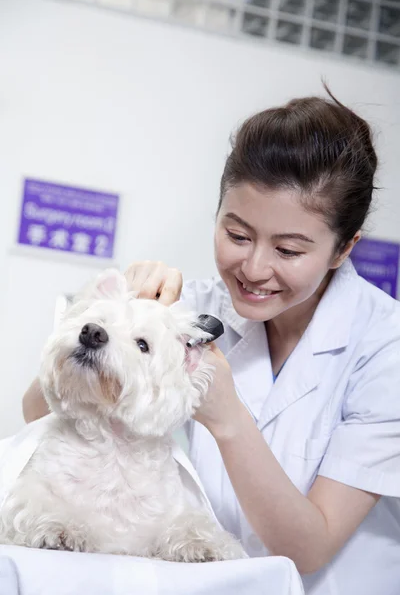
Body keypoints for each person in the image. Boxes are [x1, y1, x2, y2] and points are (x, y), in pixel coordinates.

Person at [23, 88, 400, 595]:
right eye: (238, 235)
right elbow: (39, 412)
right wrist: (106, 315)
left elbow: (311, 547)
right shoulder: (193, 311)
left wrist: (227, 419)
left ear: (343, 249)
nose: (254, 269)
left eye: (288, 249)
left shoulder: (385, 347)